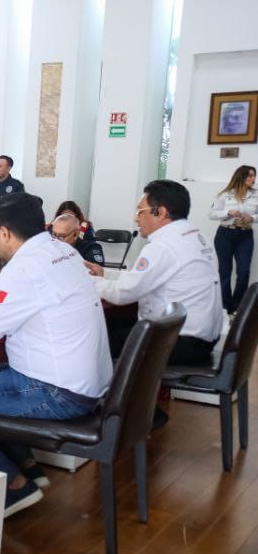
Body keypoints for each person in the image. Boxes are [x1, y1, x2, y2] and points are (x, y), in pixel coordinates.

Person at [0, 192, 112, 517]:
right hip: (86, 385)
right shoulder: (62, 252)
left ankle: (13, 486)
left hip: (59, 393)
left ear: (5, 233)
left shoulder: (24, 266)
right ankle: (28, 466)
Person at [86, 180, 224, 425]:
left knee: (94, 340)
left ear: (160, 213)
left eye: (140, 211)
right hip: (200, 334)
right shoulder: (194, 234)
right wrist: (105, 276)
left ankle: (124, 412)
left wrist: (85, 282)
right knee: (109, 325)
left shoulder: (163, 245)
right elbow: (147, 280)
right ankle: (141, 408)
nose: (136, 219)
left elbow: (123, 294)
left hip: (181, 341)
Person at [210, 165, 258, 315]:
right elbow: (212, 214)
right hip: (225, 234)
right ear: (241, 176)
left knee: (243, 272)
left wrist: (253, 217)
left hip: (245, 236)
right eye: (249, 175)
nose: (253, 179)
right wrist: (228, 212)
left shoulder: (256, 195)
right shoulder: (225, 195)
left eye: (254, 176)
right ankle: (225, 306)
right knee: (224, 271)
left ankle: (238, 306)